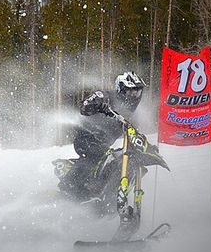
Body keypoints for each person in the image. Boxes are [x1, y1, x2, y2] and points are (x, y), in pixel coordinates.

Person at [55, 71, 147, 200]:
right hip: (87, 138)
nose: (134, 95)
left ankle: (105, 190)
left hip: (104, 145)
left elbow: (133, 133)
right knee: (95, 154)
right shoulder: (105, 96)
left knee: (117, 159)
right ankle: (68, 187)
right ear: (121, 89)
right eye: (131, 91)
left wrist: (145, 147)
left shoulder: (131, 113)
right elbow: (84, 107)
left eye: (137, 92)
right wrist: (98, 105)